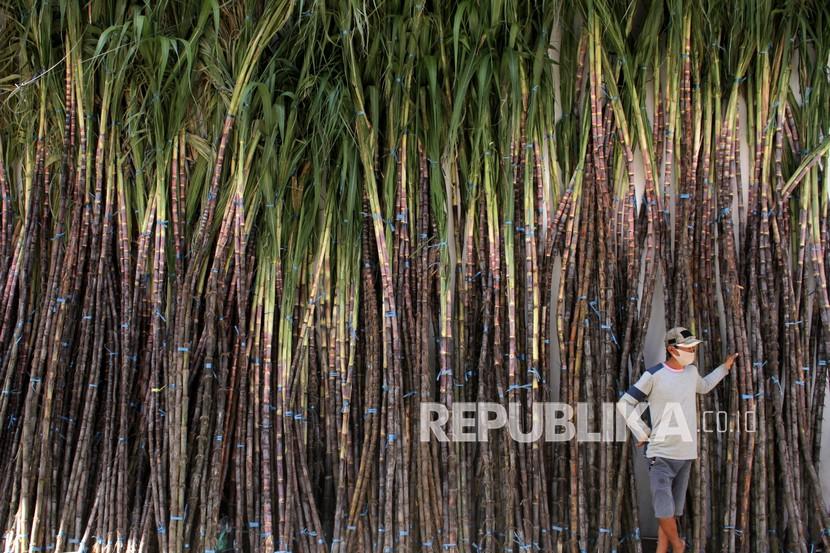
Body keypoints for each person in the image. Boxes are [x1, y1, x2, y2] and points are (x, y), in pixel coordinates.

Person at [616, 327, 739, 553]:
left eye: (693, 347)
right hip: (661, 454)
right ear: (672, 349)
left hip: (686, 455)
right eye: (688, 348)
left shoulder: (691, 373)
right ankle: (679, 547)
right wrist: (642, 431)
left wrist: (725, 368)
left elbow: (704, 387)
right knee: (663, 509)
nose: (692, 351)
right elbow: (624, 403)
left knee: (672, 512)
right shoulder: (653, 375)